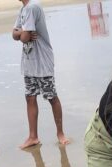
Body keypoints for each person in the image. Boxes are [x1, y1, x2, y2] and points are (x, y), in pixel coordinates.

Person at [12, 0, 70, 148]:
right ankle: (33, 137)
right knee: (30, 97)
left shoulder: (32, 7)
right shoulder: (23, 9)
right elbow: (15, 34)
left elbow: (24, 37)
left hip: (42, 61)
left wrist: (23, 34)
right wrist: (22, 33)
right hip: (29, 61)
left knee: (51, 96)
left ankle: (60, 133)